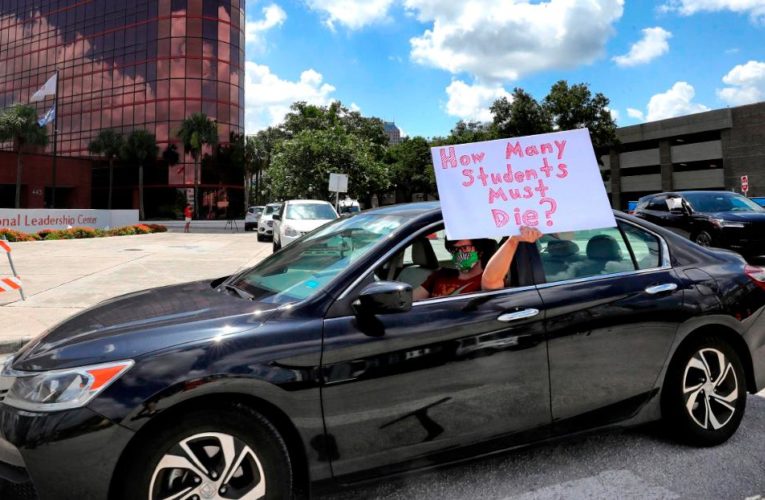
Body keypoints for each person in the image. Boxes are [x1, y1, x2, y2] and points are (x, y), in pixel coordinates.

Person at [412, 226, 543, 300]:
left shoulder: (485, 279)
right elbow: (411, 300)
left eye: (465, 248)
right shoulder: (440, 275)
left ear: (480, 251)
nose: (459, 254)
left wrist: (513, 240)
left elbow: (491, 279)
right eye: (454, 250)